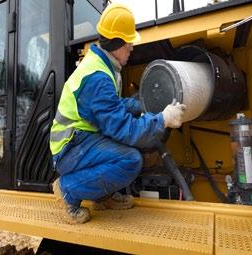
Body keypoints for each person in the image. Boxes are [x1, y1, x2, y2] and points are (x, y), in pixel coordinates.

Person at [49, 3, 186, 224]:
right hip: (69, 148)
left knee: (125, 152)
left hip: (81, 139)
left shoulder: (102, 66)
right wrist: (163, 119)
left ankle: (101, 196)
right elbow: (124, 130)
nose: (131, 47)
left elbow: (111, 107)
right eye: (128, 42)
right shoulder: (98, 77)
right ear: (116, 43)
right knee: (130, 160)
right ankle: (67, 190)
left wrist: (142, 104)